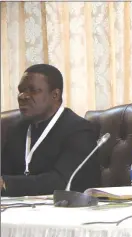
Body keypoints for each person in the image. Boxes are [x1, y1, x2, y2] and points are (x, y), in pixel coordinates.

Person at [1, 64, 101, 197]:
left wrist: (7, 184)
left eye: (33, 90)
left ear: (55, 95)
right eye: (21, 90)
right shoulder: (16, 129)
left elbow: (60, 182)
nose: (23, 96)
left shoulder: (79, 130)